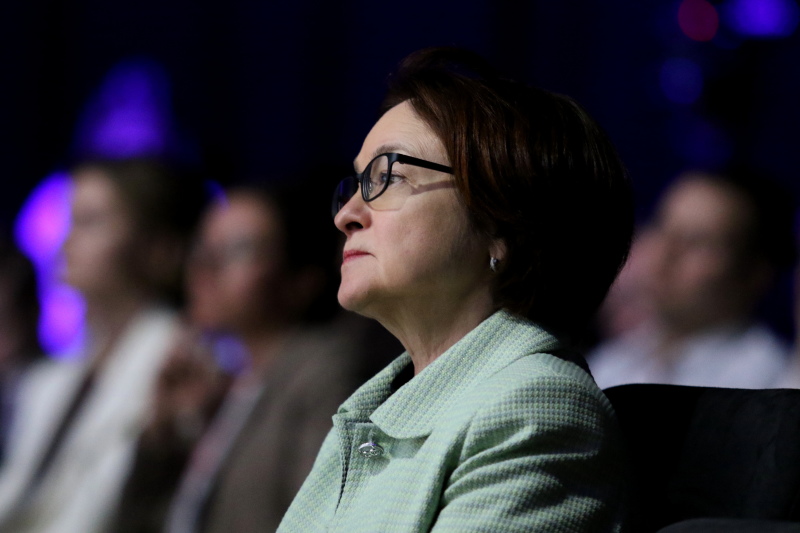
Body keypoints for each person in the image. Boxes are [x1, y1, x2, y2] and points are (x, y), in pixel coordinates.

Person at [277, 47, 634, 532]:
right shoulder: (366, 416)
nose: (347, 215)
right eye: (357, 183)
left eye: (387, 177)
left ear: (503, 223)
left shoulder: (535, 409)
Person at [112, 179, 397, 533]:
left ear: (302, 280)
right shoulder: (226, 386)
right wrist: (166, 434)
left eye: (237, 249)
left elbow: (324, 516)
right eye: (203, 246)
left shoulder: (325, 374)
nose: (205, 265)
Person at [0, 157, 205, 533]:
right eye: (71, 221)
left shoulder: (180, 363)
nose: (67, 241)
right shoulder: (54, 378)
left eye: (90, 222)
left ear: (157, 247)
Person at [589, 170, 795, 390]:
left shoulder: (768, 381)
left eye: (696, 241)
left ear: (756, 273)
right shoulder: (610, 361)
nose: (664, 255)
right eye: (661, 227)